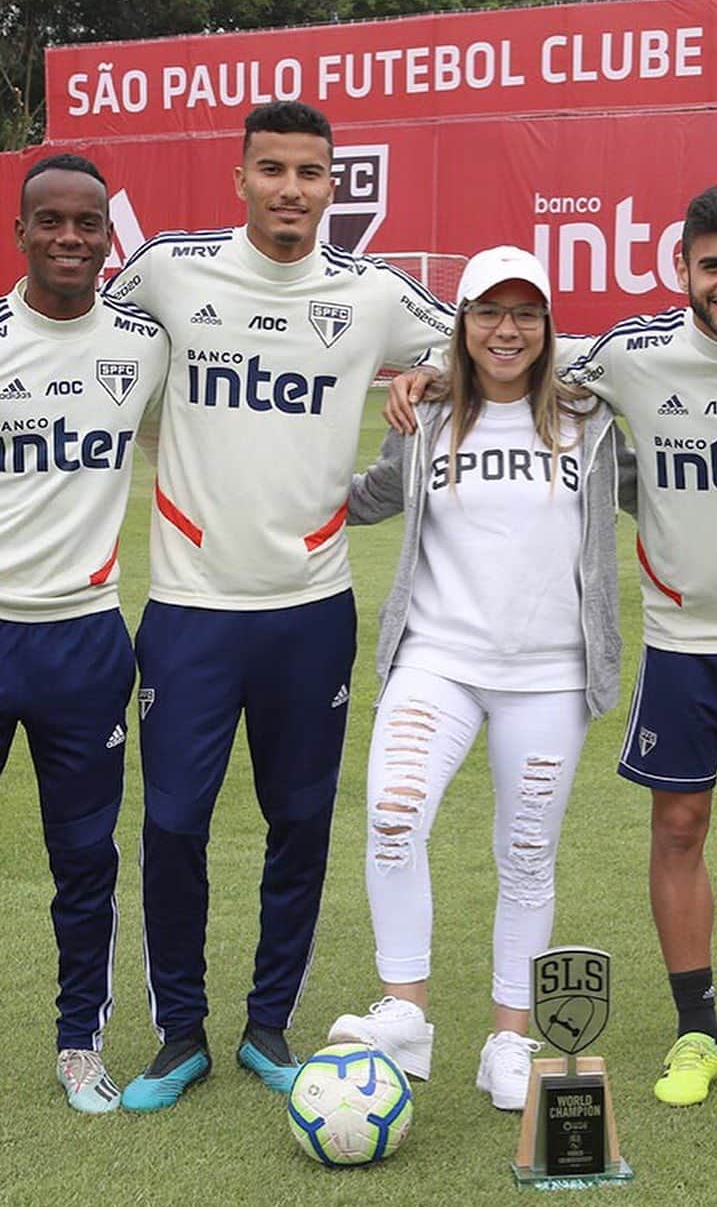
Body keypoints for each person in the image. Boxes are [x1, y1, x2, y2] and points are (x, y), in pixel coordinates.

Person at [387, 185, 717, 1119]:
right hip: (680, 645)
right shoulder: (633, 353)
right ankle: (696, 1031)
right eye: (712, 265)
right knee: (677, 830)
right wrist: (428, 372)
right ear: (682, 269)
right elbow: (512, 352)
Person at [102, 101, 457, 1112]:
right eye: (273, 170)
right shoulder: (171, 270)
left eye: (311, 172)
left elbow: (499, 342)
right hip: (191, 607)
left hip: (312, 608)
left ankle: (266, 1024)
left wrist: (435, 366)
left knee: (298, 822)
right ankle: (181, 1034)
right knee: (173, 824)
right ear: (240, 177)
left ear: (333, 185)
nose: (291, 190)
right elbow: (82, 333)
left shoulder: (369, 292)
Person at [324, 246, 636, 1110]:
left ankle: (508, 1036)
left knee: (526, 853)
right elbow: (378, 494)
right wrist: (278, 482)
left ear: (547, 326)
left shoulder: (590, 415)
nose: (507, 329)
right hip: (438, 661)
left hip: (550, 675)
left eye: (525, 313)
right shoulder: (422, 417)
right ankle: (406, 1012)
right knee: (392, 815)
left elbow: (660, 493)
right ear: (460, 324)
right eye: (487, 313)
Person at [1, 154, 168, 1112]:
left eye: (89, 223)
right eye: (51, 221)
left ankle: (78, 1041)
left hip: (85, 642)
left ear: (110, 238)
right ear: (21, 232)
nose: (71, 237)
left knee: (84, 856)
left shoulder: (143, 344)